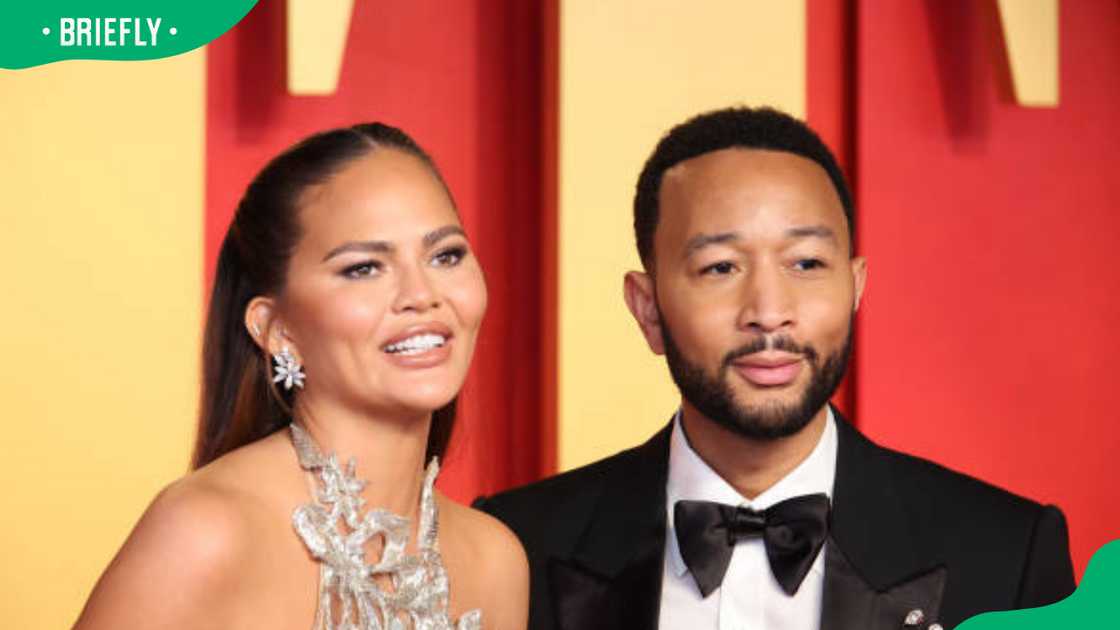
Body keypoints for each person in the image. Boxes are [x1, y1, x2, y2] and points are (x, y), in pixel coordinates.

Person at [475, 107, 1075, 630]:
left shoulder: (1007, 554)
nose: (769, 314)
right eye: (720, 268)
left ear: (855, 288)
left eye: (807, 263)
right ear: (648, 308)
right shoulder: (515, 548)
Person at [75, 123, 529, 630]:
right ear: (275, 328)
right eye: (364, 268)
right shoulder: (206, 531)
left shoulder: (495, 560)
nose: (422, 294)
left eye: (446, 255)